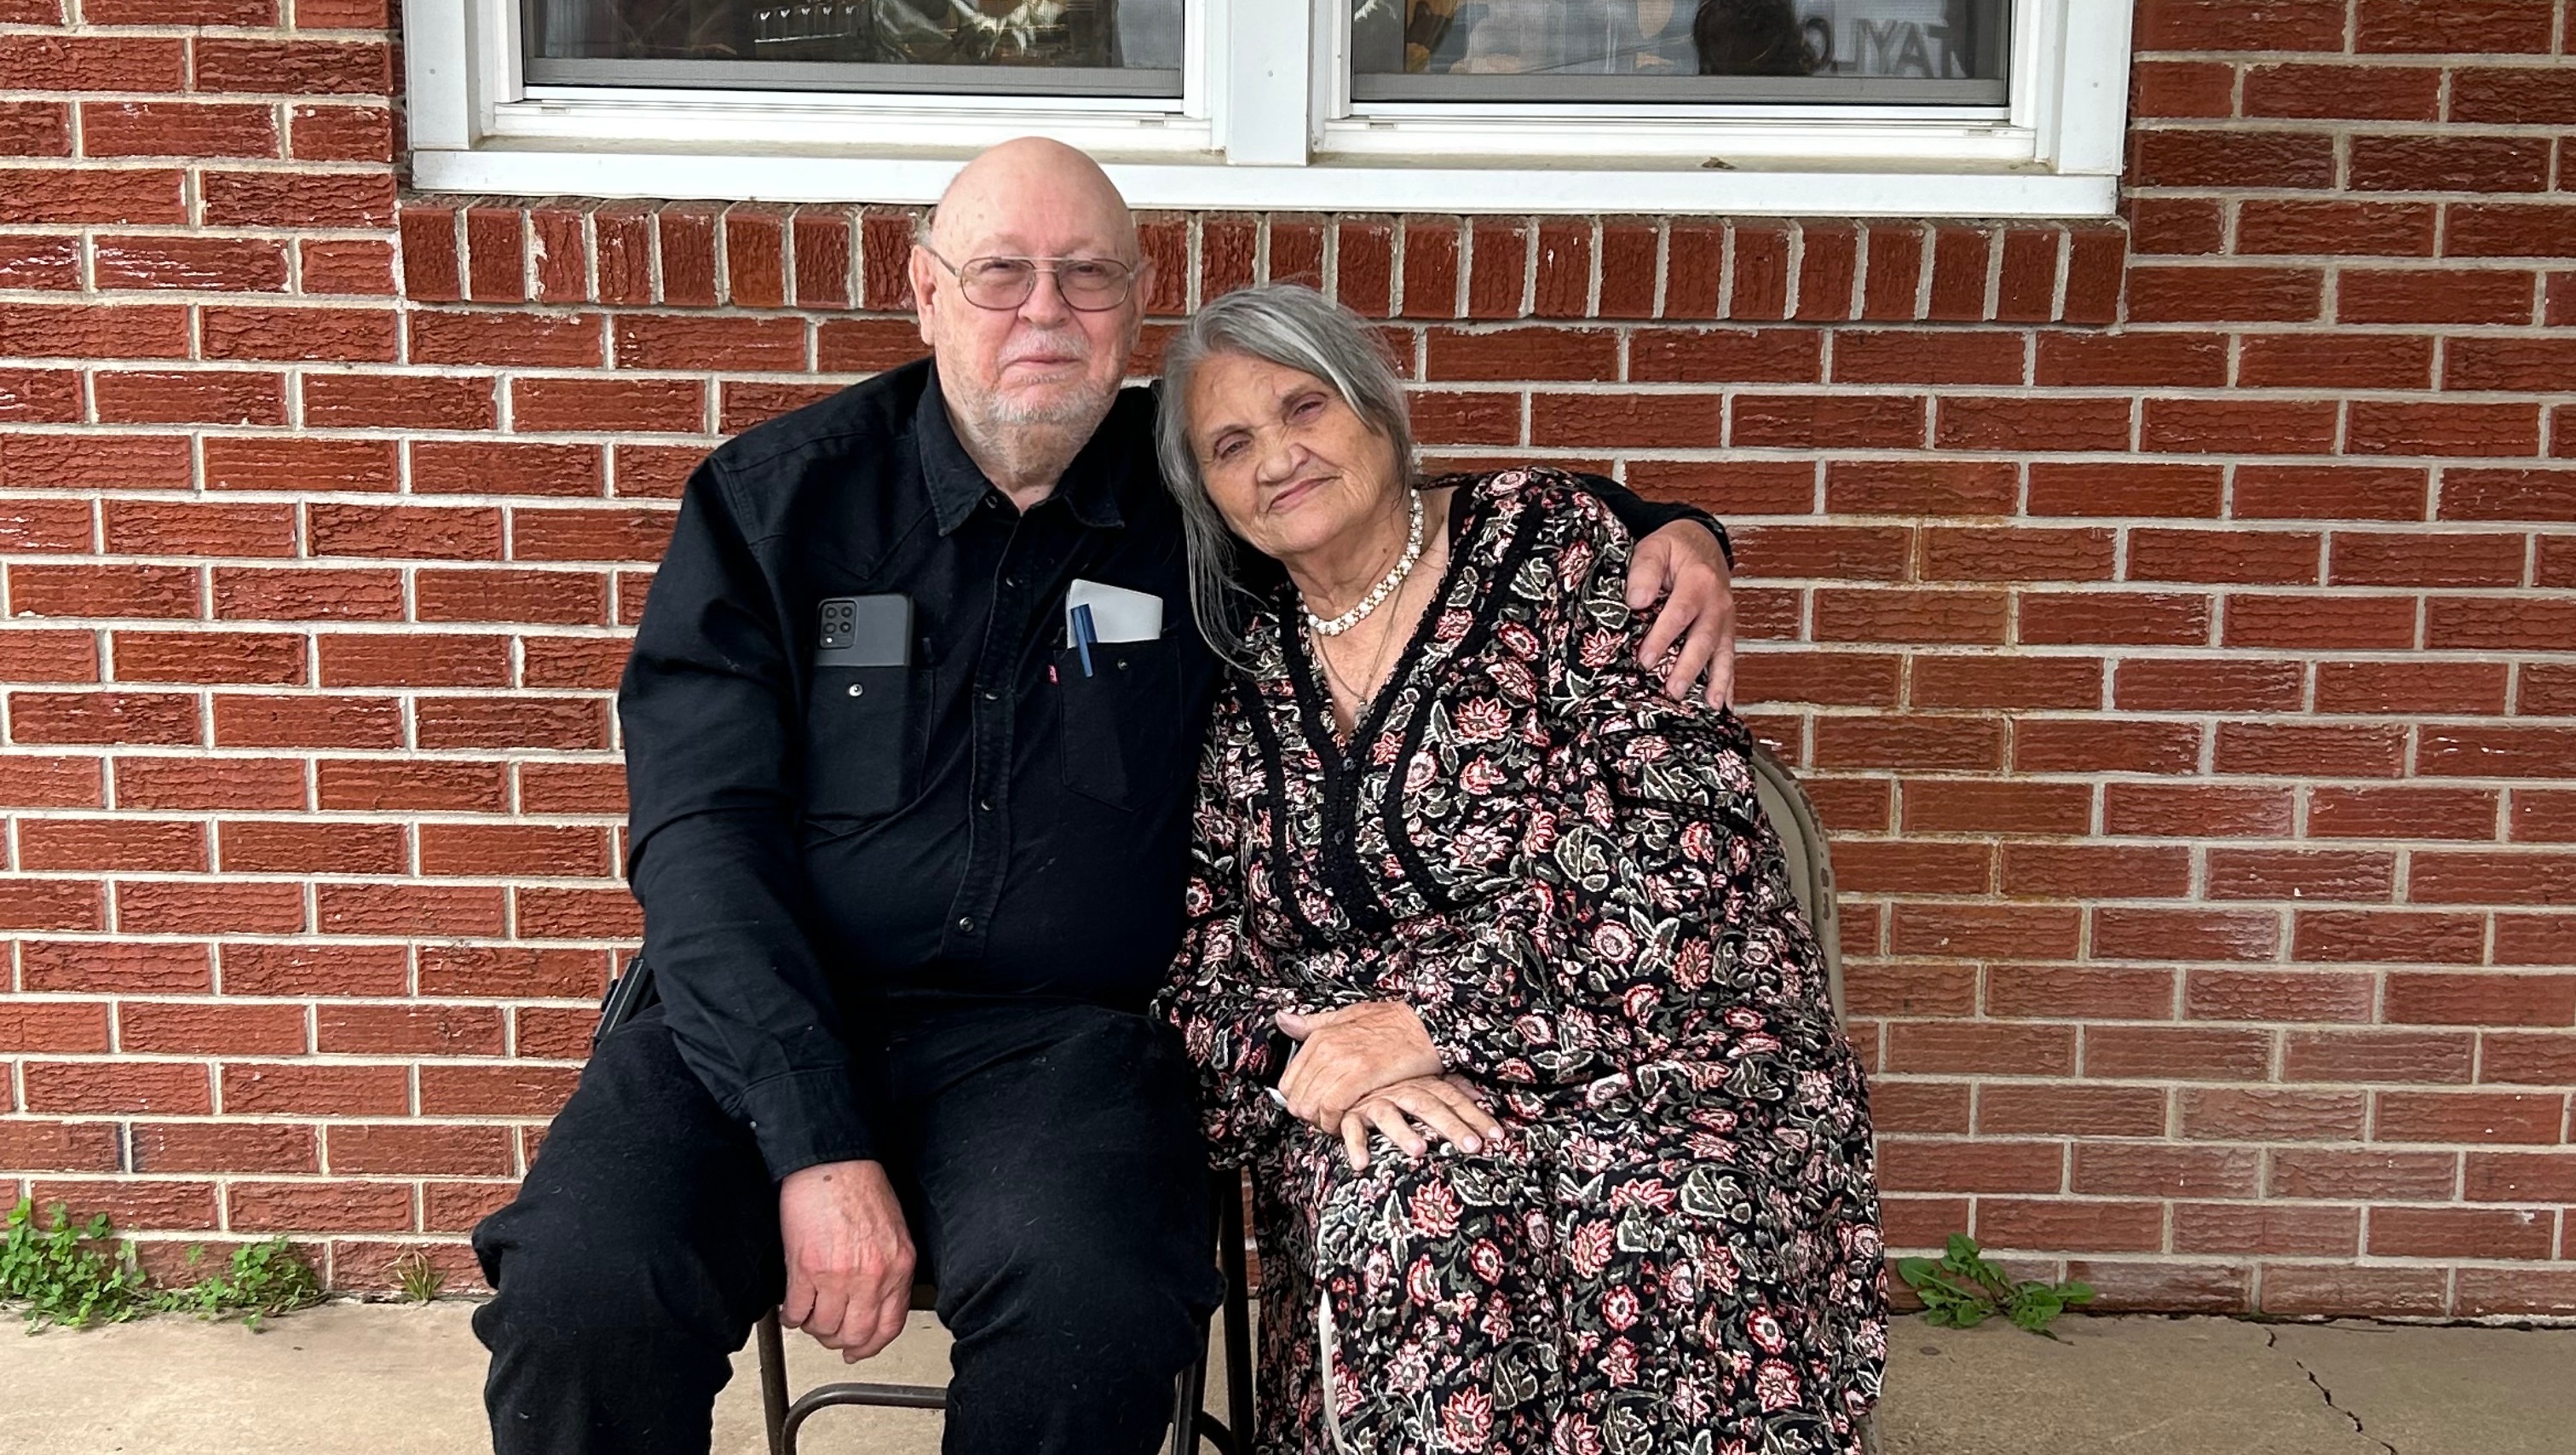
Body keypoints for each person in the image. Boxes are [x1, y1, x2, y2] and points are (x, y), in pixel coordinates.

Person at [468, 138, 1743, 1455]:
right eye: (1002, 274)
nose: (1045, 311)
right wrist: (813, 1140)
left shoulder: (1203, 490)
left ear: (1136, 303)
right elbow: (701, 843)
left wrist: (1667, 524)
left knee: (1098, 1310)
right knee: (582, 1292)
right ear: (926, 291)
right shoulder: (776, 510)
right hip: (764, 1021)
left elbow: (1404, 517)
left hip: (1055, 1050)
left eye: (1085, 276)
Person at [1153, 284, 1884, 1455]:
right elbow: (1200, 948)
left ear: (1378, 411)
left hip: (1655, 1035)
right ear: (1208, 494)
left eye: (1305, 406)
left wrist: (1428, 1021)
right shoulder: (1229, 665)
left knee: (1662, 1212)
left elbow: (1679, 852)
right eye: (1231, 445)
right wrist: (1321, 1064)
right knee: (1415, 1212)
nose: (1278, 458)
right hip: (1386, 1094)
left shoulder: (1560, 549)